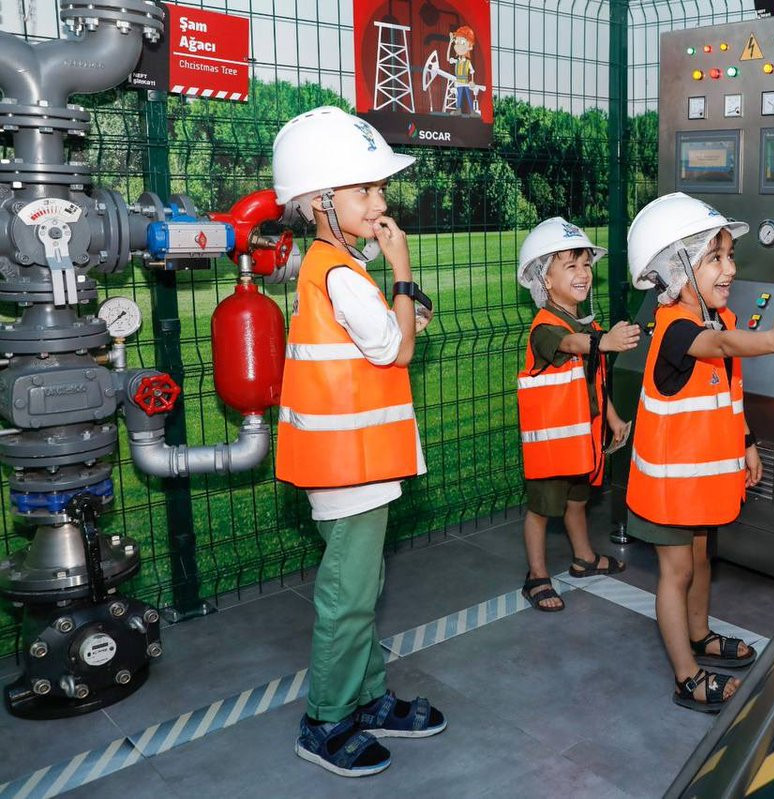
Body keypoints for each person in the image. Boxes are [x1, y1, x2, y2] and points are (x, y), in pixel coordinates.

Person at [272, 106, 444, 777]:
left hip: (356, 467)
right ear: (321, 202)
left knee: (361, 590)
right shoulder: (340, 272)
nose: (380, 202)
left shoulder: (334, 265)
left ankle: (367, 699)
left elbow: (383, 340)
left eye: (380, 188)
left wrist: (399, 305)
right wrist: (402, 272)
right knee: (347, 599)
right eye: (365, 189)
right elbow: (396, 350)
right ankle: (325, 720)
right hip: (349, 471)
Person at [624, 192, 774, 713]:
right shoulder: (677, 330)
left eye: (729, 255)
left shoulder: (715, 320)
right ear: (677, 271)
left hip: (695, 486)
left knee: (700, 560)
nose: (730, 268)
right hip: (668, 490)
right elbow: (719, 349)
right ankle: (686, 676)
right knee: (676, 573)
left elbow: (725, 393)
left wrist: (746, 443)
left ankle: (699, 636)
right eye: (714, 258)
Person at [515, 217, 640, 611]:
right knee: (541, 510)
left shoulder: (587, 324)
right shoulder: (546, 328)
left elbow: (595, 380)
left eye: (586, 264)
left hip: (580, 444)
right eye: (571, 266)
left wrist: (612, 417)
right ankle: (536, 576)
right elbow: (573, 345)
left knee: (577, 500)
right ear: (545, 279)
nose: (583, 273)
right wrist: (604, 341)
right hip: (552, 448)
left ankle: (583, 557)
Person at [447, 26, 477, 115]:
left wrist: (472, 81)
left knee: (468, 96)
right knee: (459, 96)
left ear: (470, 46)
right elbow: (448, 58)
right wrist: (450, 42)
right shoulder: (456, 61)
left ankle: (472, 111)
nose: (458, 46)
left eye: (462, 43)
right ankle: (458, 110)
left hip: (466, 82)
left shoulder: (468, 62)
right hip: (459, 81)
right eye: (457, 42)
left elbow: (472, 71)